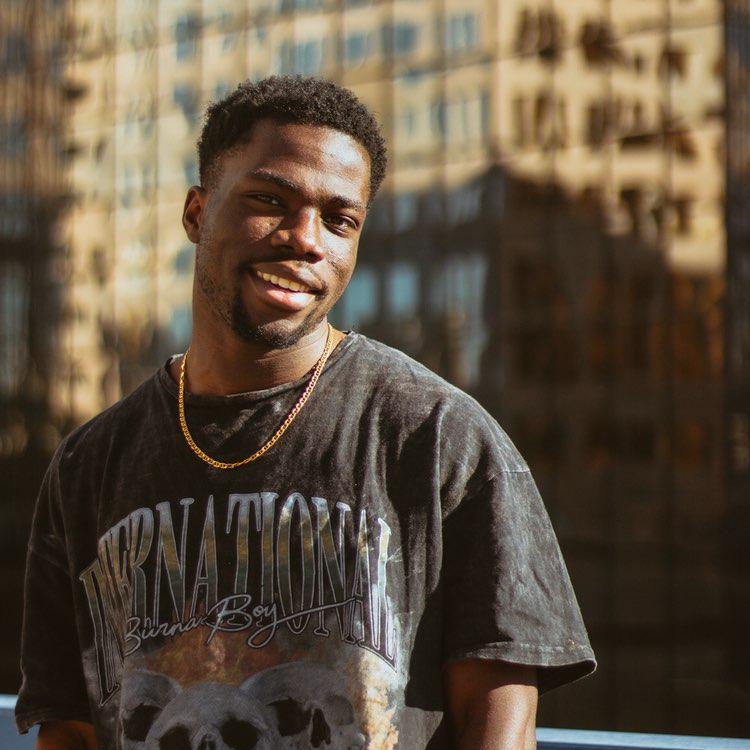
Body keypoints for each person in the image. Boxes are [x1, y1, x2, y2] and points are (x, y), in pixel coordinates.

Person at [15, 75, 596, 749]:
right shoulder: (90, 464)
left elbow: (499, 724)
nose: (305, 238)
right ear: (197, 214)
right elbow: (70, 730)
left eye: (339, 220)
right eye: (270, 201)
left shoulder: (440, 440)